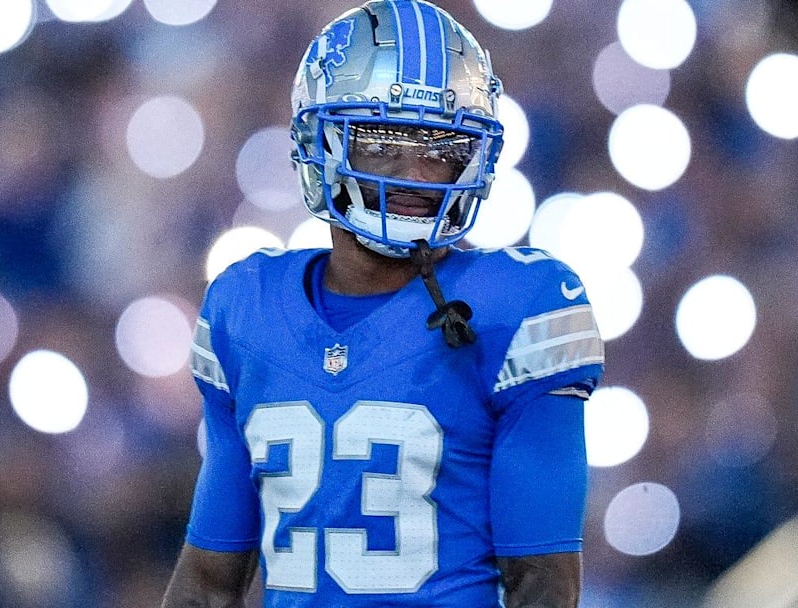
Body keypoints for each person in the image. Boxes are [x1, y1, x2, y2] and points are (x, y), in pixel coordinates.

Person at [161, 1, 604, 606]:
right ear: (321, 141)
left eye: (443, 146)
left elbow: (544, 586)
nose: (419, 170)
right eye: (384, 140)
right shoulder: (246, 309)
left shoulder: (517, 308)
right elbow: (208, 585)